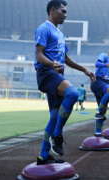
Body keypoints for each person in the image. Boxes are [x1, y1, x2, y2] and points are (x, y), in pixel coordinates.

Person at [35, 0, 95, 165]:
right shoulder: (44, 28)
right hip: (47, 74)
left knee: (54, 117)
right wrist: (52, 64)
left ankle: (43, 156)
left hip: (55, 76)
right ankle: (57, 134)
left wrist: (84, 70)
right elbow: (39, 54)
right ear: (53, 10)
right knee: (73, 93)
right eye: (63, 11)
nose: (66, 15)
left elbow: (66, 59)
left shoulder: (60, 34)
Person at [90, 43, 109, 136]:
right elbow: (97, 64)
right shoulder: (104, 56)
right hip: (97, 82)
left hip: (103, 83)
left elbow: (105, 78)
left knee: (104, 110)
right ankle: (99, 112)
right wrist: (107, 64)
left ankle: (98, 133)